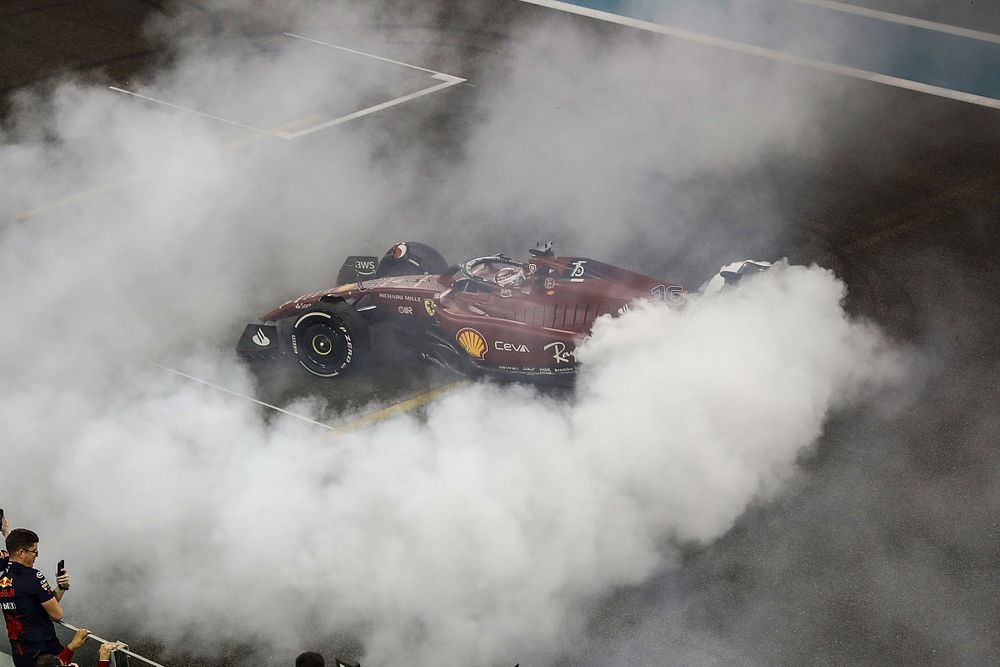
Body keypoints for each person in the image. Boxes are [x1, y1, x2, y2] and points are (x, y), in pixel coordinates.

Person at [2, 528, 71, 667]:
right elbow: (56, 614)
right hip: (45, 651)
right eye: (35, 552)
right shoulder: (33, 576)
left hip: (20, 652)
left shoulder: (3, 576)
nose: (36, 556)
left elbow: (38, 603)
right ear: (21, 553)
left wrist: (61, 587)